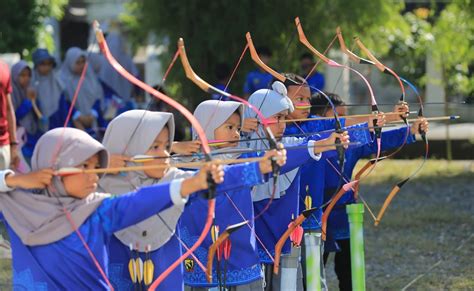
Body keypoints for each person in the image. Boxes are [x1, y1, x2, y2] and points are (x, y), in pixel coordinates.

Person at [0, 127, 224, 289]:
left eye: (97, 167)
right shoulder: (18, 206)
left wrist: (191, 184)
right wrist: (13, 180)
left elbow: (139, 201)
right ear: (53, 167)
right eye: (83, 166)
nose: (94, 175)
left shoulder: (96, 209)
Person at [312, 93, 429, 291]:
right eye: (338, 117)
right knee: (314, 271)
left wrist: (411, 130)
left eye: (345, 116)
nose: (344, 125)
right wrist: (390, 116)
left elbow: (377, 140)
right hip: (316, 212)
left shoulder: (350, 141)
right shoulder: (312, 137)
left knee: (348, 271)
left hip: (344, 210)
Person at [243, 83, 349, 290]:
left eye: (285, 117)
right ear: (257, 117)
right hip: (250, 245)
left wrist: (379, 123)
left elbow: (306, 147)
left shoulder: (289, 144)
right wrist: (240, 130)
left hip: (284, 237)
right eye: (277, 117)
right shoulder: (240, 150)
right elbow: (257, 162)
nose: (282, 124)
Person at [176, 100, 286, 290]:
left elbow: (269, 161)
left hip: (240, 254)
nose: (236, 133)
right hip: (197, 256)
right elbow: (135, 165)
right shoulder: (182, 165)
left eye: (238, 128)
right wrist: (173, 146)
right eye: (229, 127)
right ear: (206, 128)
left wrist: (320, 145)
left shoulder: (244, 158)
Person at [60, 47, 105, 135]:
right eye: (77, 62)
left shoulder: (90, 78)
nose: (81, 65)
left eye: (83, 62)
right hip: (74, 124)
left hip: (93, 121)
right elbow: (65, 102)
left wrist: (93, 113)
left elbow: (98, 97)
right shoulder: (62, 81)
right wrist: (77, 115)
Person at [10, 61, 41, 161]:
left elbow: (38, 115)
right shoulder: (10, 93)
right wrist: (27, 102)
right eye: (22, 75)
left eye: (28, 75)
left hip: (32, 137)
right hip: (19, 141)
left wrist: (33, 100)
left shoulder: (31, 90)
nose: (26, 78)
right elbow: (13, 116)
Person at [31, 48, 68, 131]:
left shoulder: (57, 81)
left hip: (58, 122)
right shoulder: (31, 82)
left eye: (49, 64)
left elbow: (63, 104)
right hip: (38, 126)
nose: (46, 67)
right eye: (42, 64)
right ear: (36, 65)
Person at [0, 59, 18, 169]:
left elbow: (8, 107)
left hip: (3, 143)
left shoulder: (3, 66)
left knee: (3, 185)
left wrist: (13, 145)